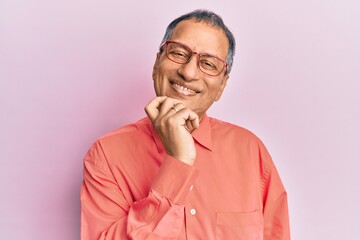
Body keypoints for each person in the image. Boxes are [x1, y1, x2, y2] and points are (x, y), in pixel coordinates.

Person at [80, 9, 290, 240]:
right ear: (157, 62)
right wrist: (178, 162)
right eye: (179, 53)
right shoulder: (107, 156)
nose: (188, 72)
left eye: (208, 64)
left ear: (222, 85)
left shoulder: (251, 151)